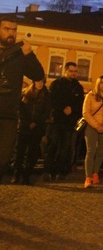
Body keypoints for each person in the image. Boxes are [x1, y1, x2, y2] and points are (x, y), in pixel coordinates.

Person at [0, 16, 44, 184]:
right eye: (6, 29)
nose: (11, 33)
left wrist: (29, 54)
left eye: (14, 29)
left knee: (3, 158)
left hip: (9, 114)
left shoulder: (19, 53)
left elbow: (38, 74)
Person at [45, 61, 84, 181]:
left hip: (70, 122)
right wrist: (63, 108)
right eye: (71, 71)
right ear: (65, 71)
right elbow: (52, 100)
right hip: (57, 120)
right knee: (53, 146)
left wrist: (72, 109)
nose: (73, 73)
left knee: (65, 148)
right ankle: (49, 171)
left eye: (75, 71)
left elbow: (80, 103)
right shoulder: (56, 84)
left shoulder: (78, 87)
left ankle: (61, 171)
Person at [13, 79, 51, 185]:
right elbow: (20, 109)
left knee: (32, 152)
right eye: (38, 82)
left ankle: (26, 175)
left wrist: (36, 122)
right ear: (34, 82)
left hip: (38, 128)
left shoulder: (46, 95)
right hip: (24, 127)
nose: (40, 84)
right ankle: (16, 174)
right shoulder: (25, 93)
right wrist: (27, 122)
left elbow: (46, 111)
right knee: (20, 151)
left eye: (42, 82)